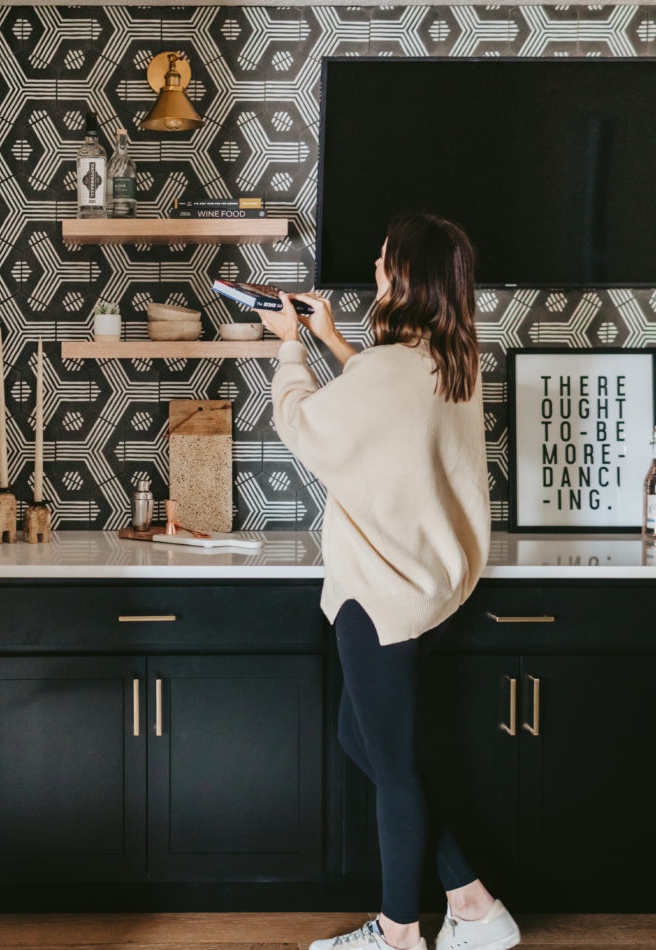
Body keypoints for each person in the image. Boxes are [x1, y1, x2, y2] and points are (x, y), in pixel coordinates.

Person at [254, 212, 520, 950]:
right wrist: (332, 339)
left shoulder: (390, 371)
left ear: (404, 278)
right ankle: (472, 902)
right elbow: (383, 401)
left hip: (378, 596)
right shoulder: (451, 359)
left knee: (394, 769)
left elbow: (308, 428)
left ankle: (400, 934)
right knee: (362, 735)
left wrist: (288, 350)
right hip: (426, 592)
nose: (375, 271)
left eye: (381, 263)